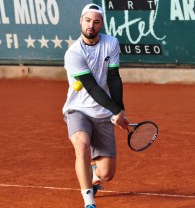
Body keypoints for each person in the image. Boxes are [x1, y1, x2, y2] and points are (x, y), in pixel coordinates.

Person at [62, 3, 129, 208]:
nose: (91, 25)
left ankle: (93, 174)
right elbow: (91, 86)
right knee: (81, 146)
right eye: (88, 20)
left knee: (107, 174)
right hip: (77, 109)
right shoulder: (73, 54)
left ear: (101, 24)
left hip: (102, 113)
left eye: (96, 21)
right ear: (81, 21)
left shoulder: (111, 43)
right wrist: (115, 110)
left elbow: (114, 78)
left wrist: (120, 110)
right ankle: (89, 201)